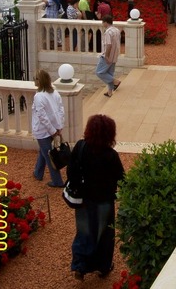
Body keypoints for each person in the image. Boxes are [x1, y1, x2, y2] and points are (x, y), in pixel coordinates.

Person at [69, 114, 124, 280]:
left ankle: (80, 266)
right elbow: (122, 178)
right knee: (105, 235)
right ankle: (103, 266)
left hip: (84, 199)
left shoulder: (80, 147)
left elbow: (71, 171)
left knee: (84, 232)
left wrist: (78, 185)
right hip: (104, 200)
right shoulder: (110, 155)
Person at [32, 69, 65, 187]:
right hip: (54, 129)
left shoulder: (38, 96)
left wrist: (52, 130)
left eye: (35, 78)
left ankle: (57, 181)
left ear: (39, 81)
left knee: (49, 157)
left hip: (43, 131)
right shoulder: (55, 93)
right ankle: (38, 172)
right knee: (44, 151)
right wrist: (58, 127)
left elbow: (42, 116)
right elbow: (61, 110)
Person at [95, 15, 121, 97]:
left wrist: (106, 56)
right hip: (115, 55)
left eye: (103, 22)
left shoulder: (108, 32)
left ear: (106, 22)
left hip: (107, 56)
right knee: (109, 73)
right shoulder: (117, 30)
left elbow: (108, 45)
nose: (102, 24)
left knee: (99, 72)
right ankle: (110, 92)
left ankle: (115, 81)